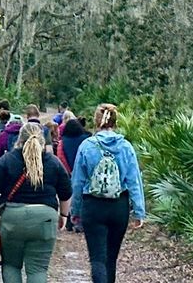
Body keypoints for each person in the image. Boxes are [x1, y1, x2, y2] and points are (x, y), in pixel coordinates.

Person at [0, 122, 72, 283]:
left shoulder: (8, 159)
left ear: (19, 139)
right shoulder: (53, 162)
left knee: (11, 265)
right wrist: (64, 215)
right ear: (42, 140)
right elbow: (66, 193)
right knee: (38, 269)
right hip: (45, 219)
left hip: (12, 218)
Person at [71, 104, 146, 283]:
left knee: (97, 258)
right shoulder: (126, 147)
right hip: (119, 206)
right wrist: (139, 211)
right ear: (115, 121)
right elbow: (134, 181)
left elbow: (78, 182)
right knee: (111, 259)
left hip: (93, 206)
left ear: (96, 121)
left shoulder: (86, 146)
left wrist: (75, 210)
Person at [57, 117, 91, 233]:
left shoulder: (63, 142)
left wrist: (70, 171)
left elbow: (61, 157)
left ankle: (71, 221)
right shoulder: (87, 139)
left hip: (69, 173)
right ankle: (84, 221)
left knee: (71, 196)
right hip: (85, 172)